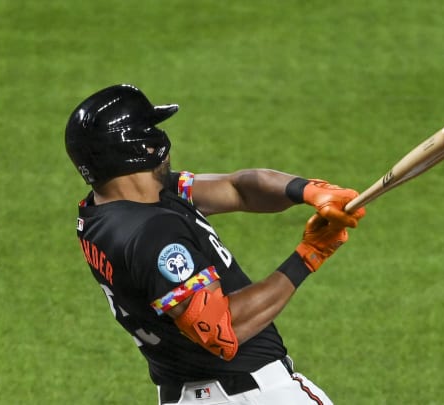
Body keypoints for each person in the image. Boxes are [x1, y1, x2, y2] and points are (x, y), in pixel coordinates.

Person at [65, 84, 366, 404]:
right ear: (140, 146)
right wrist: (309, 255)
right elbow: (222, 332)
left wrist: (309, 191)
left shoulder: (106, 209)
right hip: (249, 395)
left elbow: (238, 189)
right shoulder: (152, 233)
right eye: (152, 128)